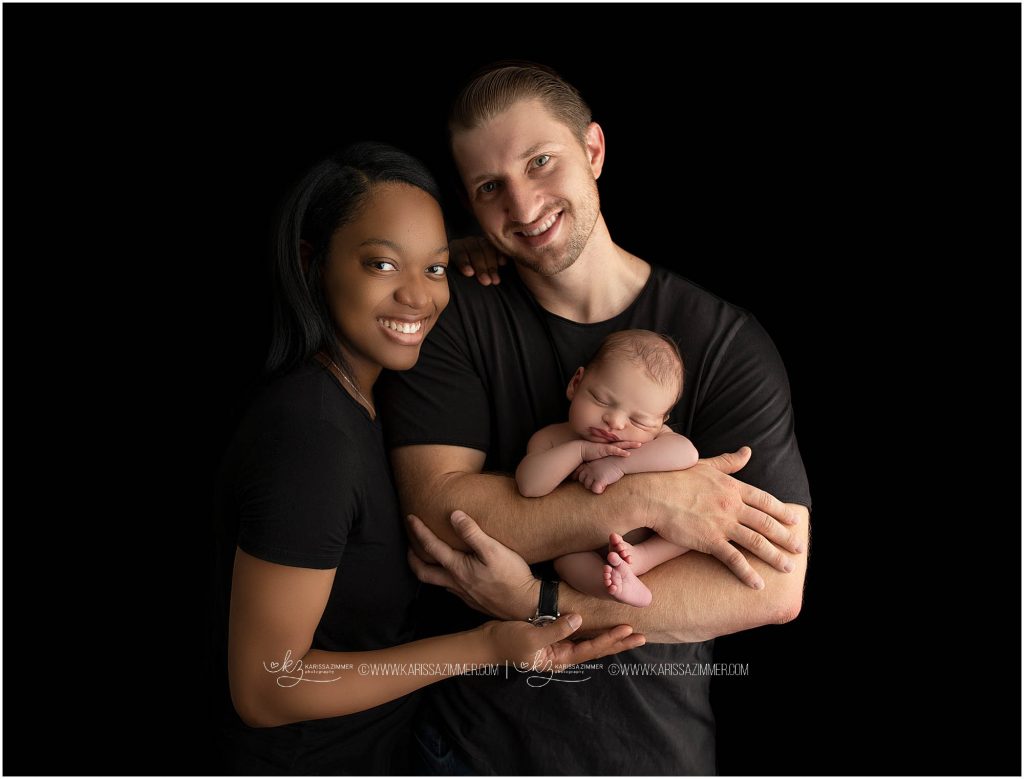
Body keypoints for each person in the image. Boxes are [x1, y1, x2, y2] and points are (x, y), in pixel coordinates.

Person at [376, 62, 812, 775]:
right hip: (470, 750)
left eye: (540, 161)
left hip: (653, 754)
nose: (521, 205)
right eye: (491, 188)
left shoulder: (723, 343)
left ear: (594, 151)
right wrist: (649, 497)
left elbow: (774, 584)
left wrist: (540, 599)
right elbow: (439, 507)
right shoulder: (455, 314)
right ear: (471, 205)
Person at [211, 142, 645, 775]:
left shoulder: (357, 399)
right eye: (382, 264)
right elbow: (267, 687)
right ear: (312, 264)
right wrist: (483, 645)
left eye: (435, 269)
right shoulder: (310, 435)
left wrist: (454, 257)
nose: (419, 297)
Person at [516, 329, 699, 607]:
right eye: (602, 400)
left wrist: (618, 464)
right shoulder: (553, 438)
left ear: (661, 422)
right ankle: (611, 587)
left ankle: (642, 560)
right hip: (580, 543)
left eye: (639, 421)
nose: (615, 422)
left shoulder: (657, 439)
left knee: (690, 528)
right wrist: (580, 451)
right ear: (576, 383)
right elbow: (528, 485)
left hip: (647, 540)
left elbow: (688, 452)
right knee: (565, 560)